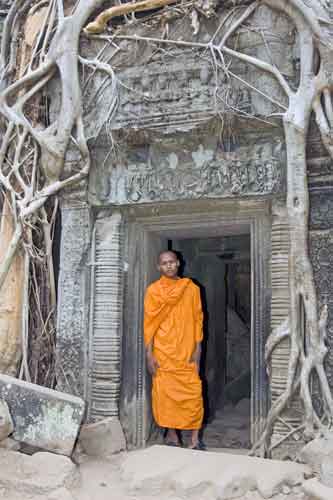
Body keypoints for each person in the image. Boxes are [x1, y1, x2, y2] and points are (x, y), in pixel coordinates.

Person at [143, 250, 205, 449]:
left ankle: (195, 440)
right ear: (158, 267)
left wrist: (198, 347)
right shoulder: (153, 291)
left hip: (187, 350)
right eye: (164, 263)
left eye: (172, 262)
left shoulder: (191, 289)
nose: (168, 266)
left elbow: (198, 320)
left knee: (193, 393)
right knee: (165, 394)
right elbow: (149, 324)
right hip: (163, 350)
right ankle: (172, 436)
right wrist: (149, 354)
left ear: (178, 263)